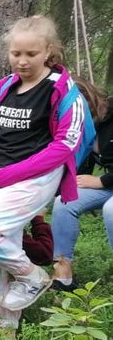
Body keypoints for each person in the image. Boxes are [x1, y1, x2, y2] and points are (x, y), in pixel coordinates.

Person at [0, 15, 86, 326]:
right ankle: (5, 330)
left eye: (31, 54)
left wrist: (2, 176)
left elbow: (63, 146)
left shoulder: (61, 89)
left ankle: (33, 276)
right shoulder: (4, 87)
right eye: (16, 54)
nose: (22, 61)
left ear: (48, 52)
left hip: (34, 179)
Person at [49, 76, 113, 290]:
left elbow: (98, 179)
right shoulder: (84, 127)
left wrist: (101, 181)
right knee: (64, 202)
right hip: (108, 187)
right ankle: (63, 273)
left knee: (111, 209)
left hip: (107, 185)